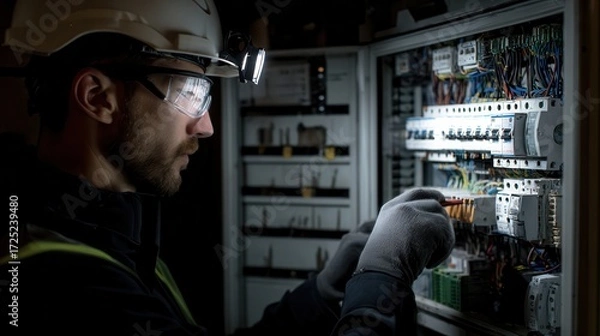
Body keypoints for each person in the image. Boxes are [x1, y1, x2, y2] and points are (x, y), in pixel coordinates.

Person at [0, 1, 455, 335]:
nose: (207, 125)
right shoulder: (61, 286)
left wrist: (320, 298)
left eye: (206, 96)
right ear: (98, 98)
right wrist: (382, 280)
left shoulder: (100, 237)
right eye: (190, 91)